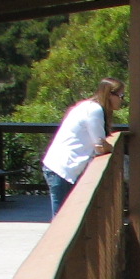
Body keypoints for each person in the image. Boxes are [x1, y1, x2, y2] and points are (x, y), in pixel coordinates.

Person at [41, 78, 124, 216]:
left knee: (67, 218)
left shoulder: (86, 106)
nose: (122, 100)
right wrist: (112, 149)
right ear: (110, 94)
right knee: (62, 222)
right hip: (63, 170)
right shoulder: (95, 110)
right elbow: (100, 145)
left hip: (61, 167)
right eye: (121, 96)